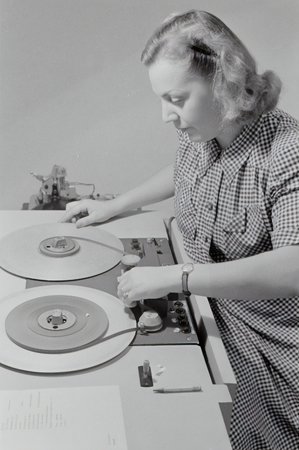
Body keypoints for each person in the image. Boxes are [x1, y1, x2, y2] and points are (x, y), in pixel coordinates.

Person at [61, 10, 299, 450]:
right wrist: (115, 204)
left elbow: (294, 268)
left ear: (224, 81)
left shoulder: (287, 151)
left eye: (175, 98)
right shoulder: (204, 129)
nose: (165, 116)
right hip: (205, 310)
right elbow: (185, 171)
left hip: (266, 343)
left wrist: (177, 277)